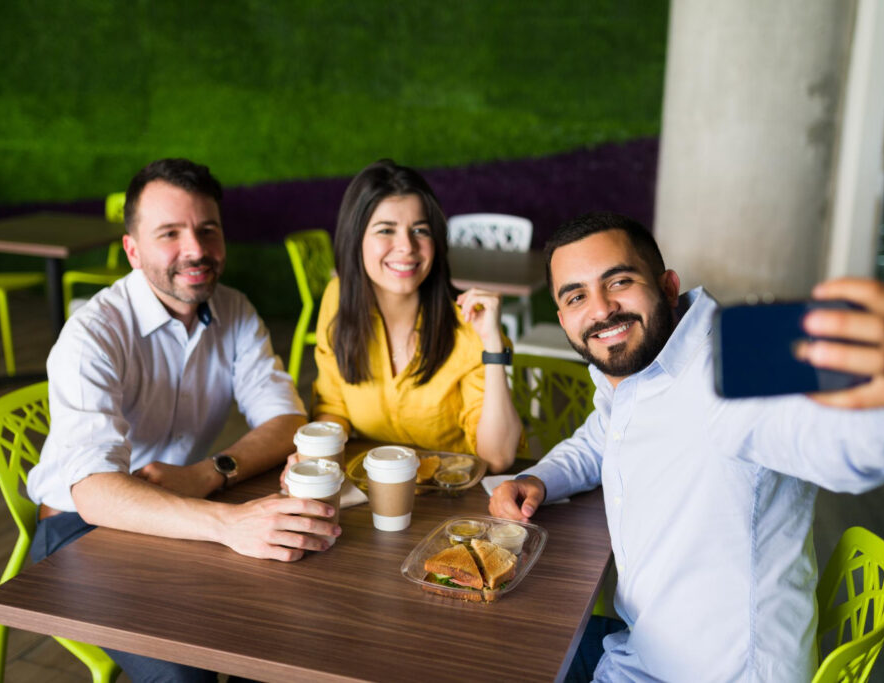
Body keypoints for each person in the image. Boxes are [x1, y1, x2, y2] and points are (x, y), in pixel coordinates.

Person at [488, 212, 884, 682]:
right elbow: (599, 435)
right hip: (642, 649)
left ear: (668, 287)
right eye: (577, 296)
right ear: (562, 317)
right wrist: (538, 479)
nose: (601, 309)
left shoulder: (727, 374)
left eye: (619, 281)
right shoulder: (635, 373)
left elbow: (826, 439)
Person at [27, 158, 337, 682]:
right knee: (185, 670)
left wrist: (208, 472)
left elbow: (288, 421)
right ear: (133, 250)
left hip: (185, 502)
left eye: (207, 230)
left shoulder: (235, 310)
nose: (195, 250)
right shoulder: (92, 335)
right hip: (77, 531)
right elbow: (96, 493)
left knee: (276, 635)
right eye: (169, 233)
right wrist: (228, 522)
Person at [306, 159, 522, 472]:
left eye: (419, 230)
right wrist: (315, 459)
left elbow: (498, 458)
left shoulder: (469, 325)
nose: (407, 247)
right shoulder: (338, 298)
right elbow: (332, 407)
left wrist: (493, 347)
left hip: (455, 503)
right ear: (356, 239)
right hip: (373, 493)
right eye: (386, 230)